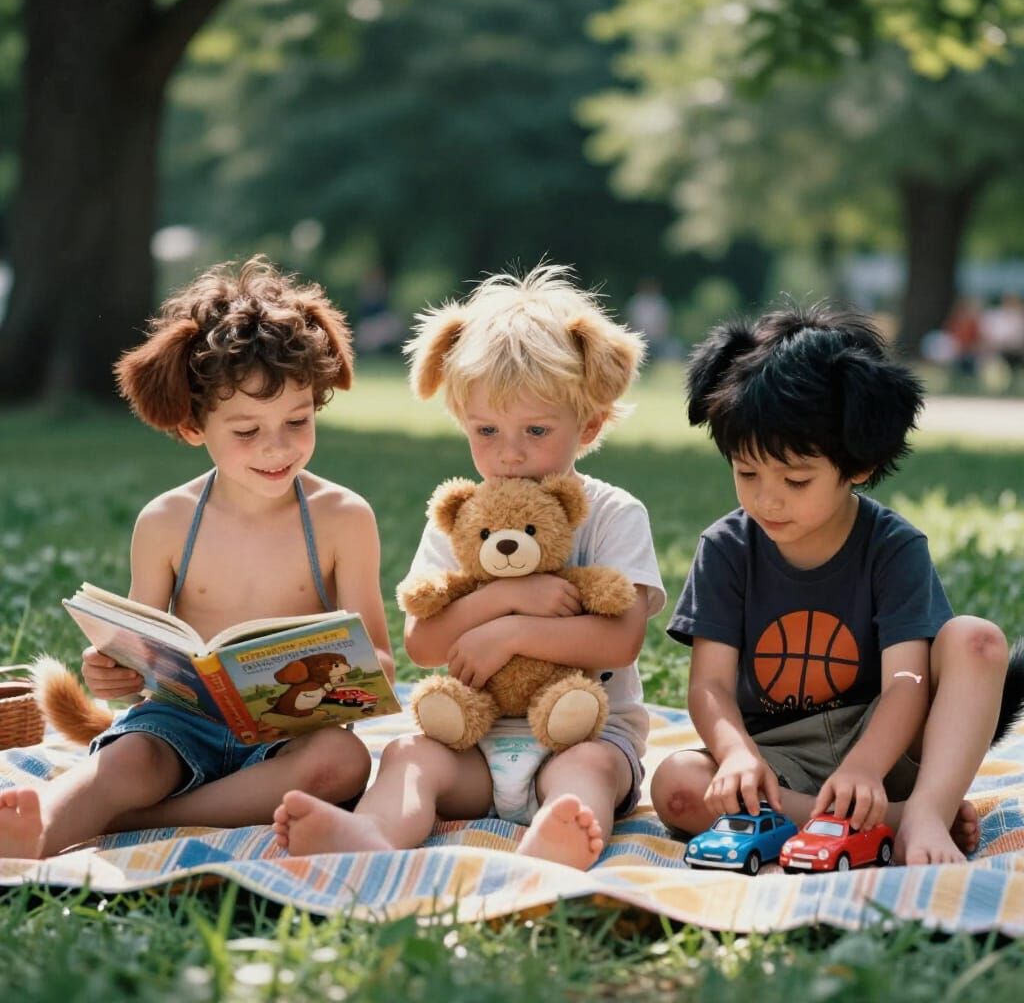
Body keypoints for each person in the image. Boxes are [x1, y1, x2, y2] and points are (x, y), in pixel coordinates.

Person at [273, 263, 665, 870]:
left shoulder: (614, 513)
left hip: (586, 734)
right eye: (486, 430)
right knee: (407, 756)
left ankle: (556, 840)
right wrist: (499, 602)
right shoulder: (458, 517)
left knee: (586, 770)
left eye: (536, 429)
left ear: (588, 424)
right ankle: (373, 836)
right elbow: (425, 643)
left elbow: (621, 639)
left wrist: (511, 633)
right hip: (472, 746)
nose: (509, 453)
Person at [0, 257, 394, 860]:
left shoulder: (344, 518)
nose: (277, 446)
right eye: (246, 431)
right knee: (126, 761)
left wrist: (348, 684)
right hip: (178, 725)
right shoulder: (166, 522)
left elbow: (382, 660)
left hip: (288, 735)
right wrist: (113, 672)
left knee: (342, 762)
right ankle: (42, 828)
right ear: (193, 426)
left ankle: (145, 817)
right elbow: (136, 647)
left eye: (298, 420)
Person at [651, 300, 1020, 865]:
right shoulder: (725, 548)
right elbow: (711, 687)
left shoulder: (893, 547)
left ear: (860, 464)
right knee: (676, 784)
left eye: (796, 480)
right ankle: (901, 819)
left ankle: (922, 809)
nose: (766, 499)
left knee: (976, 640)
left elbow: (904, 679)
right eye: (746, 473)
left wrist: (868, 766)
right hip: (778, 757)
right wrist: (736, 756)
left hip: (888, 744)